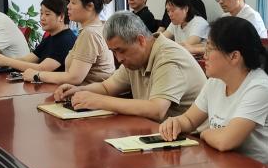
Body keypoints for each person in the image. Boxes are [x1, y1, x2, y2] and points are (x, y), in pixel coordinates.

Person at [157, 16, 268, 168]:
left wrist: (204, 133)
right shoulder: (215, 81)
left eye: (210, 48)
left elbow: (225, 141)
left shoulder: (259, 88)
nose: (204, 55)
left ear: (234, 57)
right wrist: (175, 123)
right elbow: (190, 120)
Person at [53, 11, 206, 122]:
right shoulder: (135, 58)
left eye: (121, 50)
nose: (119, 59)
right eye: (113, 52)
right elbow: (107, 87)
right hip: (159, 131)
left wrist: (98, 101)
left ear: (140, 40)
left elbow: (157, 109)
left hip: (194, 141)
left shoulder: (168, 57)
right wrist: (78, 90)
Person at [22, 0, 115, 85]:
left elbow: (74, 78)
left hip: (88, 93)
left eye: (73, 2)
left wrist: (37, 75)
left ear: (90, 6)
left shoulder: (90, 33)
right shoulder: (98, 27)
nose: (68, 6)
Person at [0, 0, 77, 72]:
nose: (42, 18)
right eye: (41, 13)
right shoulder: (50, 38)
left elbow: (42, 68)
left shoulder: (66, 40)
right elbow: (26, 60)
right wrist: (2, 62)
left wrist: (6, 61)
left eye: (47, 14)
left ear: (61, 17)